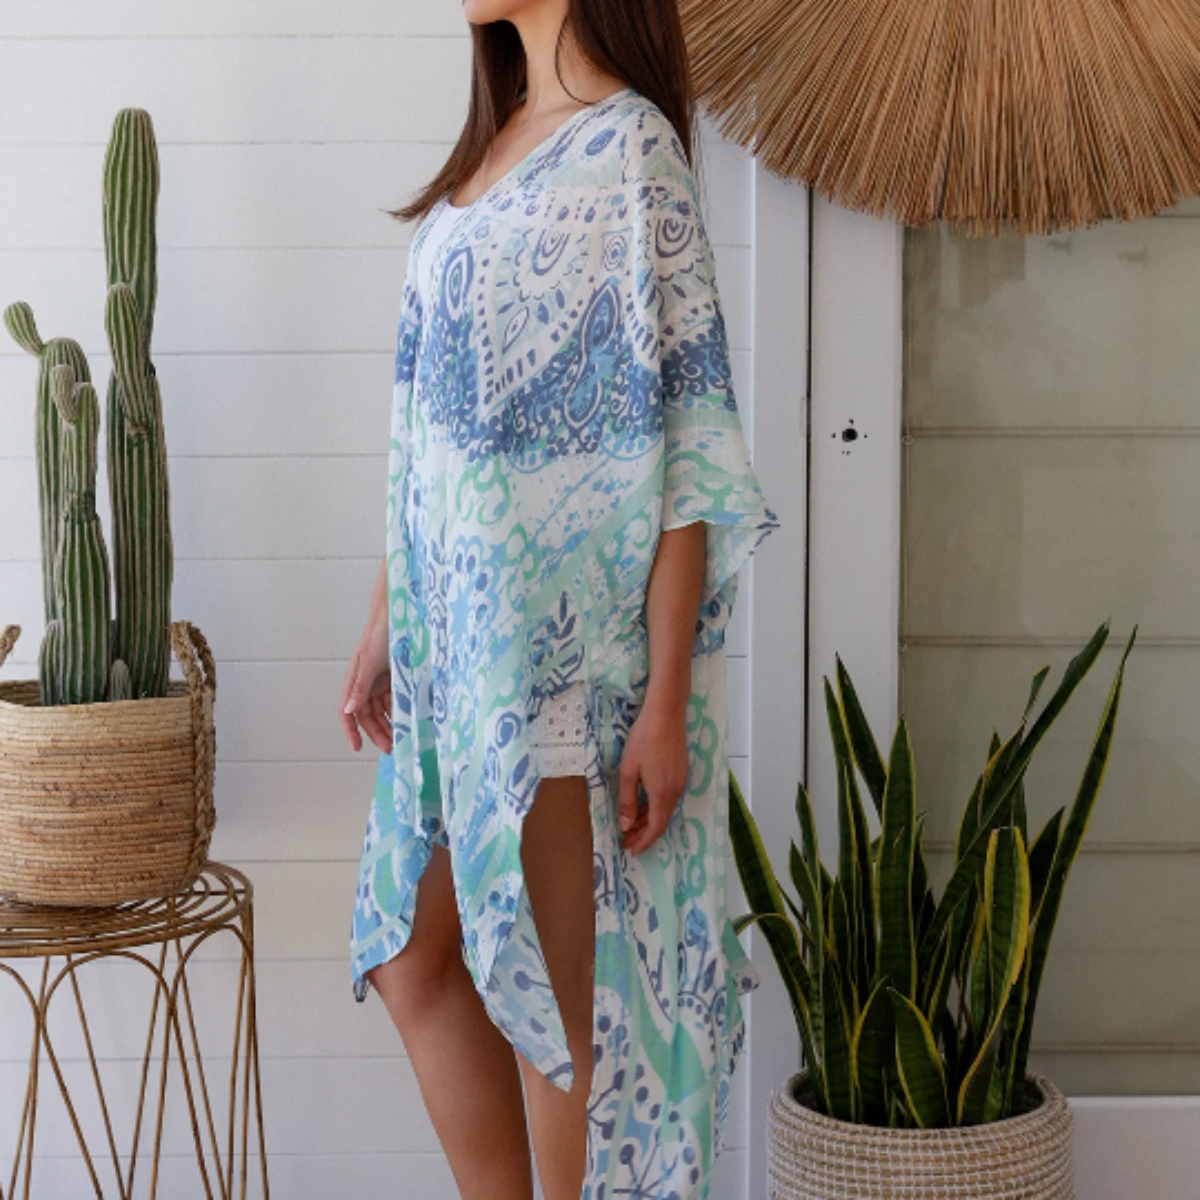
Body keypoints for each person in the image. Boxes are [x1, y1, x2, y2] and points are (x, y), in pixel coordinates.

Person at [339, 2, 778, 1197]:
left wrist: (666, 698)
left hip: (561, 663)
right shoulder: (491, 146)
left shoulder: (634, 150)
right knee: (418, 960)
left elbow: (686, 442)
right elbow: (436, 423)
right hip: (453, 653)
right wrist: (389, 614)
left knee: (550, 1004)